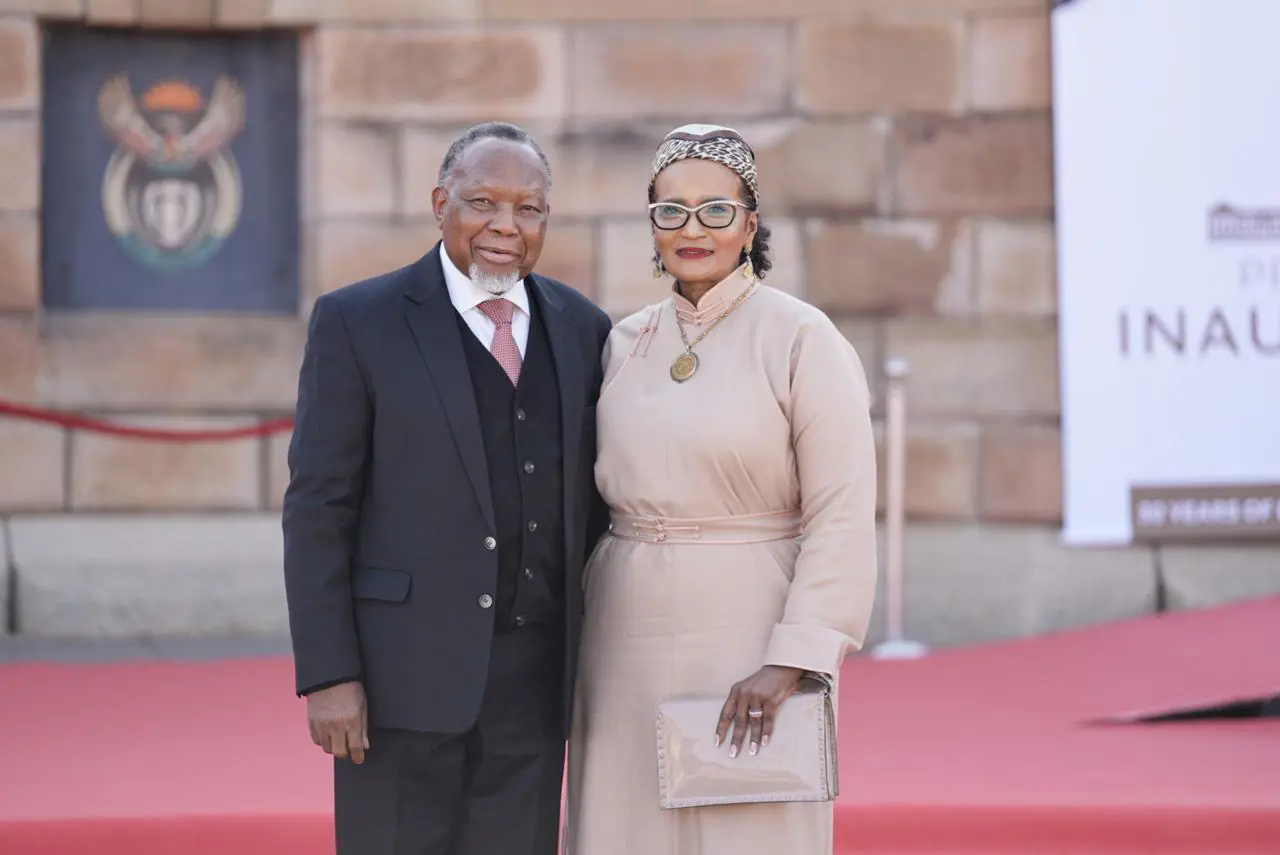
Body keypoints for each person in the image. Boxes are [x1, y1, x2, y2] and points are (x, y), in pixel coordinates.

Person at [282, 121, 612, 855]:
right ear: (441, 205)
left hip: (535, 693)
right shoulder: (357, 321)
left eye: (528, 208)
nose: (506, 226)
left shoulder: (585, 330)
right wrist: (328, 674)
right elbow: (318, 508)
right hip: (398, 686)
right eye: (483, 202)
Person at [564, 124, 878, 854]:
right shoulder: (623, 342)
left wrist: (794, 658)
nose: (692, 228)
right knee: (623, 827)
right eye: (671, 210)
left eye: (715, 209)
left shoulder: (802, 337)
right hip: (622, 629)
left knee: (750, 828)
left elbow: (841, 510)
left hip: (751, 628)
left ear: (750, 223)